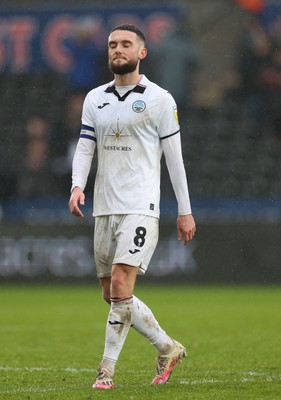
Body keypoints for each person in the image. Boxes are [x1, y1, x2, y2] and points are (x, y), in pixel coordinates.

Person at [68, 24, 196, 390]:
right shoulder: (95, 98)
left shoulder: (160, 99)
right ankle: (167, 347)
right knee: (112, 295)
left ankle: (105, 370)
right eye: (112, 45)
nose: (117, 50)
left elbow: (175, 160)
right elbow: (85, 147)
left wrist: (185, 210)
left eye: (126, 44)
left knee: (123, 284)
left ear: (142, 53)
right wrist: (77, 185)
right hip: (104, 207)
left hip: (141, 204)